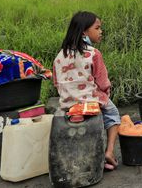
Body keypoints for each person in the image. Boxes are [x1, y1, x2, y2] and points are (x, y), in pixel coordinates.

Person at [53, 11, 120, 170]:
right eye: (97, 28)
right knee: (113, 116)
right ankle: (109, 152)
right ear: (84, 32)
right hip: (91, 100)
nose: (101, 31)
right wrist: (105, 94)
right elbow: (103, 82)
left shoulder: (60, 56)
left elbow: (56, 82)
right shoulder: (93, 54)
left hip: (67, 104)